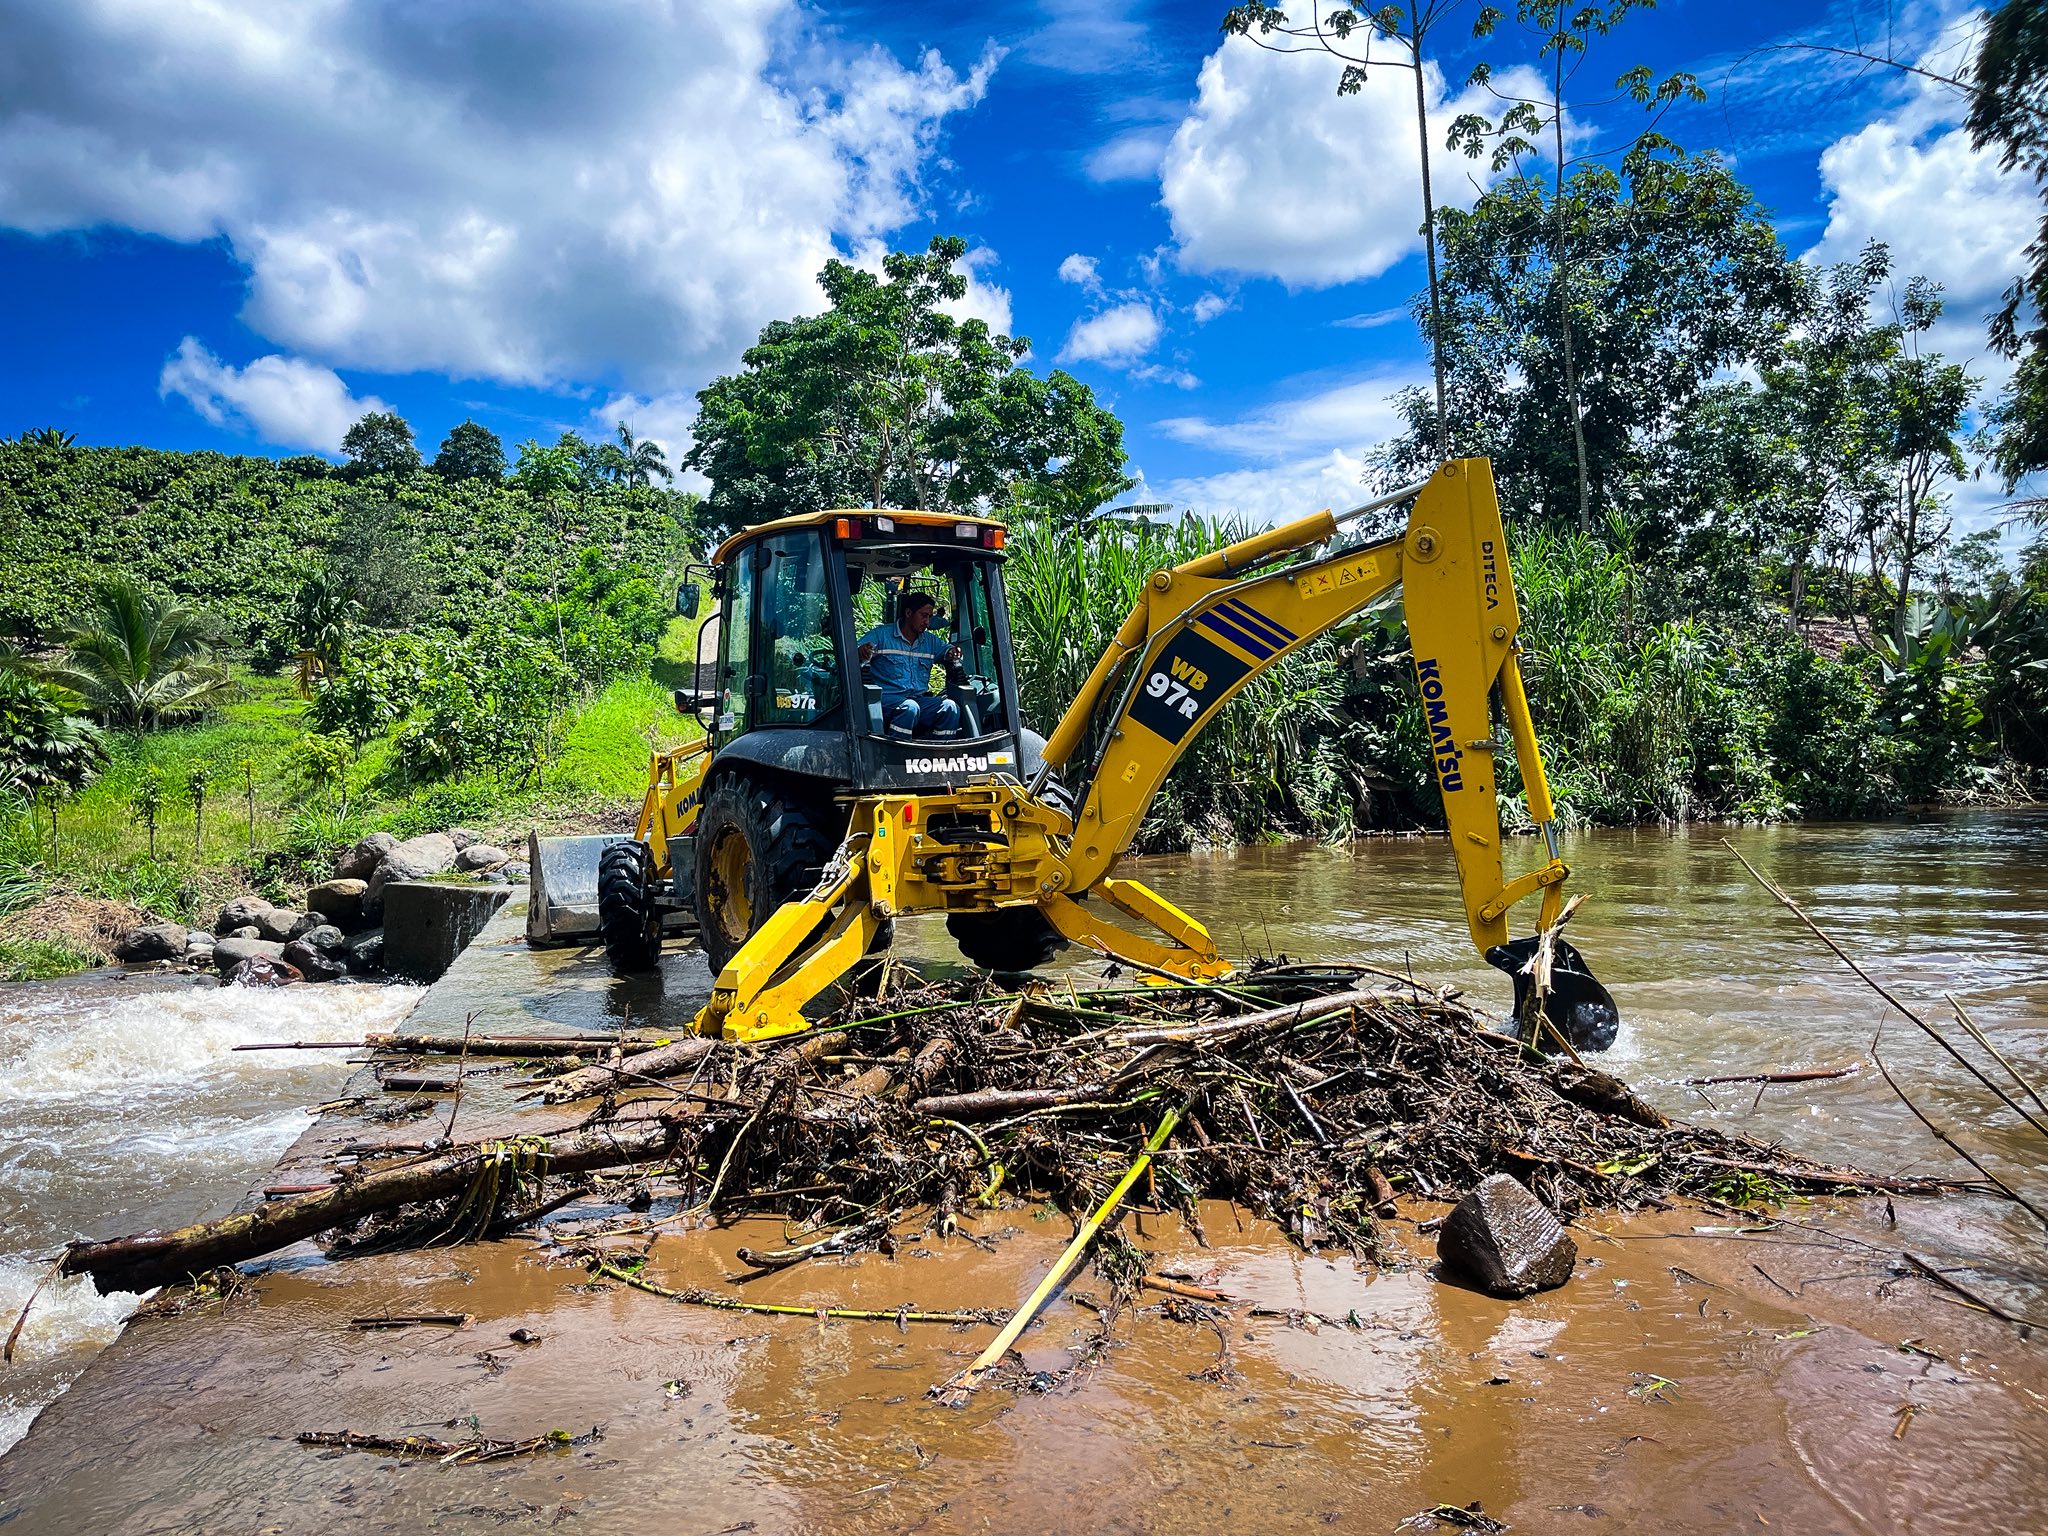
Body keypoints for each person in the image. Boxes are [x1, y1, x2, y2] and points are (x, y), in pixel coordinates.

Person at [858, 590, 962, 737]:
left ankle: (943, 749)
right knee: (909, 708)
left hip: (918, 700)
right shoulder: (881, 635)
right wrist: (862, 650)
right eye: (924, 616)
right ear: (908, 613)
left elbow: (947, 650)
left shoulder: (930, 641)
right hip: (886, 700)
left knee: (950, 707)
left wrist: (953, 652)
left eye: (929, 617)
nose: (927, 622)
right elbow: (857, 651)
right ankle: (897, 749)